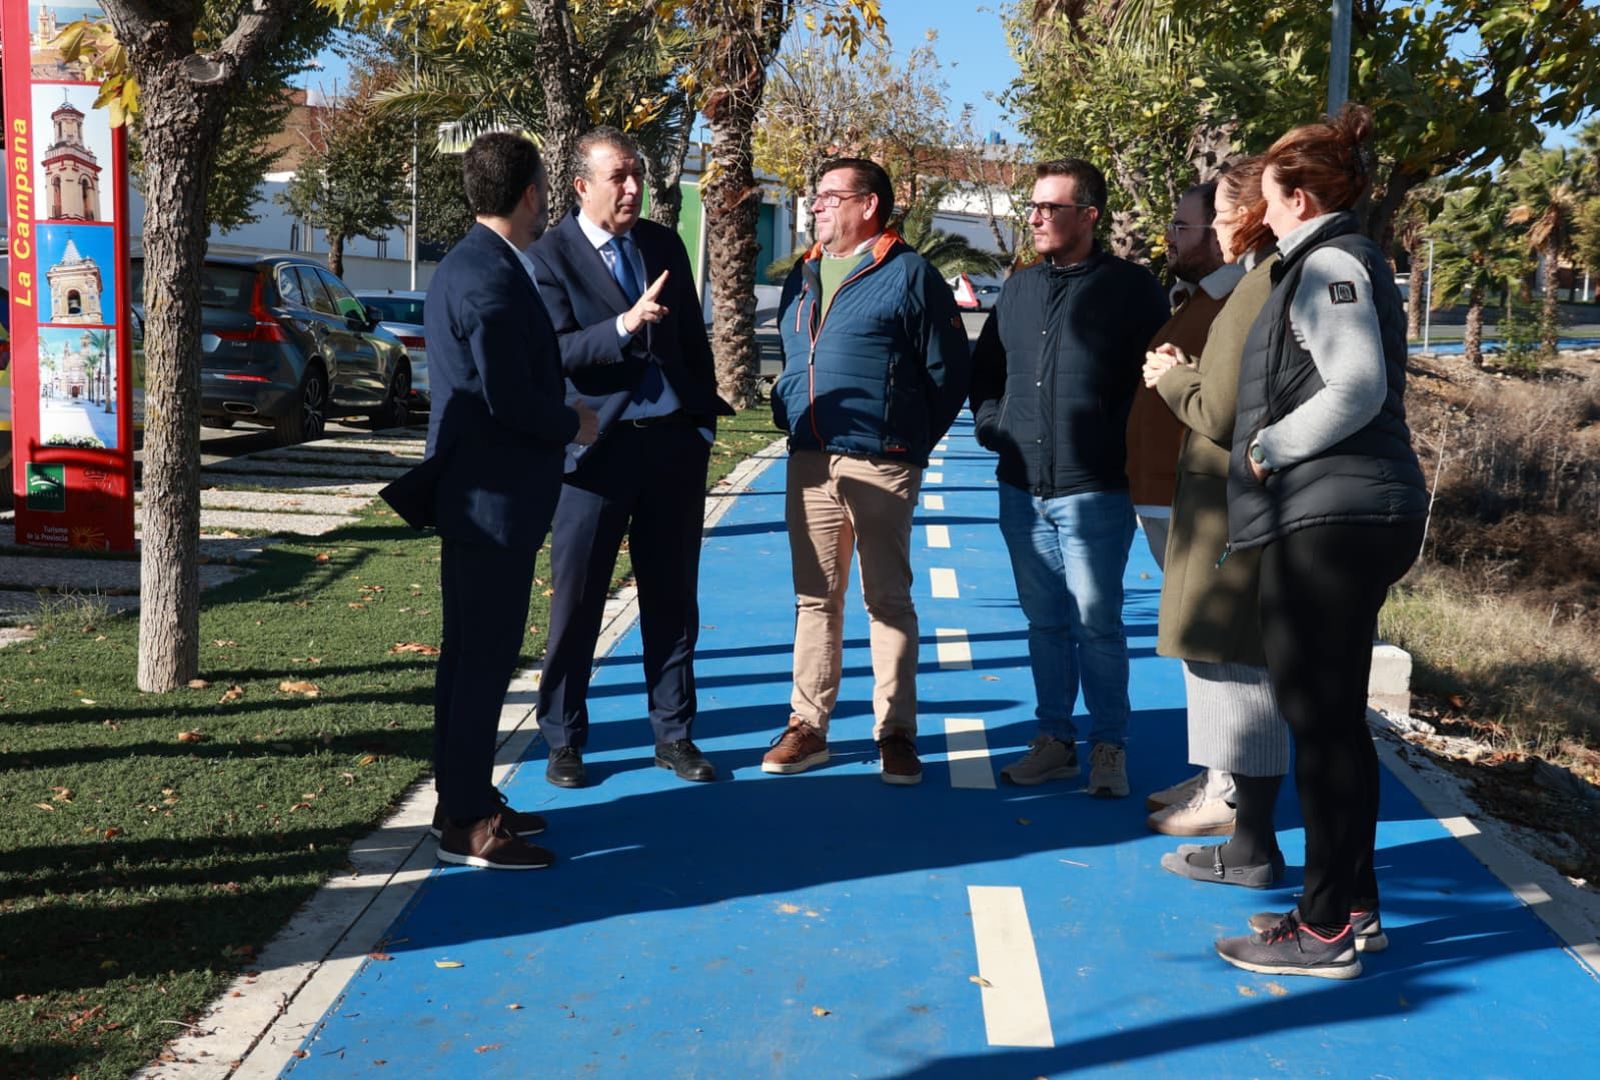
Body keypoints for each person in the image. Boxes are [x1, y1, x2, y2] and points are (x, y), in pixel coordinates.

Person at [1212, 105, 1428, 979]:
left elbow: (1357, 385)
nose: (1259, 213)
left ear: (1297, 198)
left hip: (1330, 517)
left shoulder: (1328, 263)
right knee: (1335, 722)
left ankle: (1325, 928)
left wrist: (1269, 447)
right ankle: (1352, 907)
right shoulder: (1336, 260)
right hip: (1350, 512)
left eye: (1266, 197)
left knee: (1322, 726)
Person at [400, 132, 597, 870]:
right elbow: (506, 396)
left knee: (469, 660)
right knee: (480, 664)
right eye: (545, 188)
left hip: (484, 496)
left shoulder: (479, 261)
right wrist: (571, 422)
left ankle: (464, 797)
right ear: (530, 194)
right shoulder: (487, 274)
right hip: (490, 500)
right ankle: (466, 825)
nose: (547, 201)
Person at [531, 127, 734, 789]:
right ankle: (563, 739)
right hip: (595, 453)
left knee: (672, 599)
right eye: (618, 176)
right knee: (578, 602)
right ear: (580, 185)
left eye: (637, 174)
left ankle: (674, 733)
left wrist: (701, 425)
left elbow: (693, 342)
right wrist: (624, 325)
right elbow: (555, 351)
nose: (632, 187)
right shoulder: (549, 256)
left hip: (673, 448)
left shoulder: (662, 244)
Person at [762, 157, 970, 785]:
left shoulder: (909, 273)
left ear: (868, 204)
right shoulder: (803, 274)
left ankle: (895, 733)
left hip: (882, 461)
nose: (817, 205)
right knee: (815, 598)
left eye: (830, 195)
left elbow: (947, 374)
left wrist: (905, 441)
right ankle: (808, 725)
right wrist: (789, 406)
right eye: (816, 195)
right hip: (810, 458)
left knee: (887, 599)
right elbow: (795, 357)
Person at [969, 158, 1169, 797]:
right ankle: (1053, 740)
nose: (1034, 218)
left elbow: (1157, 383)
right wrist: (994, 425)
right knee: (1044, 624)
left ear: (1088, 216)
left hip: (1096, 491)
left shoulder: (1133, 289)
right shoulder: (1019, 288)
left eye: (1049, 208)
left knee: (1097, 625)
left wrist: (1117, 441)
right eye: (1031, 207)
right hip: (1020, 487)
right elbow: (986, 371)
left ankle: (1109, 746)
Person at [1141, 158, 1292, 873]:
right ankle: (1223, 792)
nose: (1214, 229)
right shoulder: (1265, 280)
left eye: (1218, 215)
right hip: (1224, 498)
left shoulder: (1259, 285)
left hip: (1232, 504)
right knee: (1213, 650)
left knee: (1230, 658)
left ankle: (1238, 816)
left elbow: (1223, 409)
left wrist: (1172, 378)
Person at [1124, 182, 1241, 571]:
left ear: (1220, 232)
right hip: (1162, 497)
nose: (1168, 238)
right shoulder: (1193, 300)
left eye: (1180, 227)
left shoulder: (1234, 303)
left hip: (1196, 502)